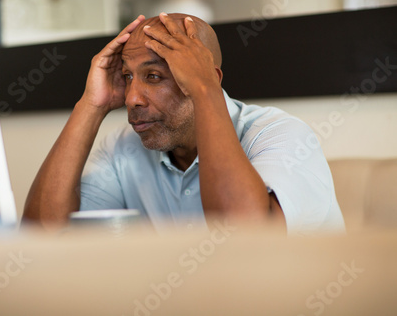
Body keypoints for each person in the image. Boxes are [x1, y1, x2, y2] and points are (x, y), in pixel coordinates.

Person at [22, 12, 345, 235]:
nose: (132, 97)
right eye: (126, 77)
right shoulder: (122, 149)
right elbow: (45, 238)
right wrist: (91, 106)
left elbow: (246, 236)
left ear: (207, 78)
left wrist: (205, 91)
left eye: (154, 76)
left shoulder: (282, 135)